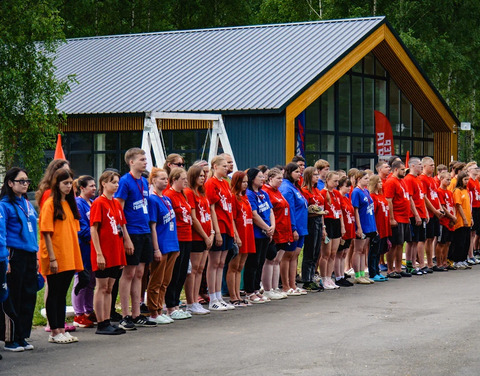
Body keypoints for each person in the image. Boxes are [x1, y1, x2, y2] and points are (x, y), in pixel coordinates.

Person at [39, 169, 83, 344]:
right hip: (56, 255)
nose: (68, 186)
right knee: (54, 293)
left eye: (70, 183)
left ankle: (61, 329)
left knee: (61, 294)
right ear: (56, 184)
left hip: (69, 255)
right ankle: (54, 331)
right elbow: (46, 233)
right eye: (65, 183)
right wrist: (52, 258)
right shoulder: (50, 204)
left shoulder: (70, 204)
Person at [115, 148, 156, 329]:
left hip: (144, 229)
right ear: (131, 162)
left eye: (145, 159)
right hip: (132, 232)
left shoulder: (144, 182)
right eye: (141, 159)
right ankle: (125, 315)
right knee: (129, 273)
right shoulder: (125, 181)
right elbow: (119, 210)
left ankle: (136, 313)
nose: (145, 162)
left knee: (140, 273)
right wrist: (125, 237)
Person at [0, 168, 38, 351]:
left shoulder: (27, 204)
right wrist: (4, 259)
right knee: (13, 296)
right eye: (21, 180)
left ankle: (22, 335)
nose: (25, 184)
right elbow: (2, 233)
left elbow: (34, 230)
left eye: (27, 181)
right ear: (10, 183)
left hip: (30, 254)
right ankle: (10, 338)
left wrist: (36, 254)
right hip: (14, 254)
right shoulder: (4, 205)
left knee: (28, 295)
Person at [90, 171, 128, 335]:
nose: (116, 185)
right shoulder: (99, 203)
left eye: (118, 182)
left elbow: (121, 226)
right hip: (104, 251)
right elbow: (94, 228)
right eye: (113, 182)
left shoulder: (116, 204)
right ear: (104, 183)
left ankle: (107, 319)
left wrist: (126, 243)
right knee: (101, 286)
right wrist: (99, 253)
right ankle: (101, 322)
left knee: (110, 287)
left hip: (115, 250)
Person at [146, 168, 178, 324]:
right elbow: (153, 225)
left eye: (167, 179)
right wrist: (156, 248)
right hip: (161, 244)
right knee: (156, 280)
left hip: (172, 243)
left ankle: (160, 307)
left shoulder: (166, 199)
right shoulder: (152, 200)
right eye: (162, 179)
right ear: (153, 181)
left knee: (166, 280)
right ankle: (153, 311)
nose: (165, 181)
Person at [204, 156, 235, 311]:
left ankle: (219, 296)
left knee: (222, 263)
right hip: (219, 226)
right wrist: (216, 231)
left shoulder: (225, 183)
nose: (226, 168)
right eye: (223, 166)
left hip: (228, 224)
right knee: (214, 262)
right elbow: (212, 208)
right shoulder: (211, 183)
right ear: (215, 166)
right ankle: (213, 297)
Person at [164, 168, 194, 318]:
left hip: (187, 236)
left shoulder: (183, 194)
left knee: (182, 272)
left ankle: (175, 303)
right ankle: (170, 305)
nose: (186, 181)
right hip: (177, 237)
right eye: (183, 179)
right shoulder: (169, 195)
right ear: (174, 179)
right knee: (174, 272)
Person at [184, 165, 213, 315]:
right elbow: (194, 218)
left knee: (200, 269)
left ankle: (196, 301)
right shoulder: (189, 192)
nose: (203, 178)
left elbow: (208, 213)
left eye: (204, 175)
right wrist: (205, 236)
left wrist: (212, 233)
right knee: (193, 270)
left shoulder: (202, 193)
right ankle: (192, 301)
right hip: (197, 236)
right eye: (200, 175)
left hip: (207, 235)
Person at [245, 168, 275, 302]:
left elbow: (270, 211)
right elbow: (254, 214)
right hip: (256, 233)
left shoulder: (263, 193)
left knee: (261, 262)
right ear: (252, 178)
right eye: (260, 177)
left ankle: (257, 289)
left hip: (265, 233)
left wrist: (272, 226)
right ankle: (249, 291)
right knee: (253, 262)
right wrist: (267, 227)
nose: (263, 179)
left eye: (263, 177)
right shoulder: (249, 194)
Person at [263, 168, 292, 299]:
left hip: (283, 230)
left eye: (282, 178)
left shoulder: (278, 192)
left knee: (277, 260)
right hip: (275, 230)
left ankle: (275, 287)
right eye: (278, 178)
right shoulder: (266, 192)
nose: (281, 181)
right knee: (271, 260)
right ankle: (267, 288)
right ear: (270, 179)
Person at [279, 163, 308, 295]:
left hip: (302, 226)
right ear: (289, 172)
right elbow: (289, 209)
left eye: (299, 171)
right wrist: (293, 228)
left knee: (295, 256)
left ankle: (293, 284)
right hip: (294, 227)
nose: (299, 174)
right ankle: (286, 285)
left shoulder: (295, 187)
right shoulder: (286, 187)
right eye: (296, 171)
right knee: (288, 256)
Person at [72, 176, 96, 329]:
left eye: (95, 186)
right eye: (91, 186)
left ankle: (88, 310)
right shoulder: (78, 203)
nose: (94, 188)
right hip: (84, 247)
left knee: (91, 281)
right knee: (82, 279)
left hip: (94, 247)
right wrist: (93, 237)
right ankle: (78, 313)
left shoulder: (93, 203)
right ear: (82, 188)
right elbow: (81, 227)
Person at [227, 171, 255, 306]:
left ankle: (238, 294)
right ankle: (233, 296)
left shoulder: (245, 197)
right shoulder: (233, 197)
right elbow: (232, 218)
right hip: (239, 232)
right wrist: (236, 236)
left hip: (247, 232)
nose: (245, 184)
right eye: (243, 182)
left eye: (246, 182)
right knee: (234, 266)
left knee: (240, 267)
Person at [383, 161, 411, 278]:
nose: (404, 172)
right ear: (395, 170)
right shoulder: (391, 182)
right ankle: (390, 269)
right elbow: (389, 200)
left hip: (404, 217)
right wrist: (391, 218)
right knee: (394, 244)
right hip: (397, 217)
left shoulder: (402, 181)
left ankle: (398, 268)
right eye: (402, 170)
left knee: (400, 244)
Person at [351, 170, 378, 284]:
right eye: (365, 179)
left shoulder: (366, 191)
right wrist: (359, 227)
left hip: (369, 223)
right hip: (362, 224)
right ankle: (357, 275)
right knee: (358, 250)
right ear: (359, 179)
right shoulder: (356, 192)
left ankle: (363, 273)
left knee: (363, 250)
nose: (368, 181)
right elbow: (355, 210)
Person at [301, 167, 325, 292]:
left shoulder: (316, 190)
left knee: (316, 251)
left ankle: (312, 276)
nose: (317, 176)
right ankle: (306, 279)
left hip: (319, 220)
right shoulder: (305, 191)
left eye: (317, 174)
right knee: (310, 251)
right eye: (314, 175)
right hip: (310, 221)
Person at [319, 171, 344, 290]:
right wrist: (323, 228)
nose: (336, 183)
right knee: (326, 254)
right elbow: (321, 213)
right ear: (327, 180)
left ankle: (329, 277)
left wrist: (342, 226)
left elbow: (340, 211)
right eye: (334, 181)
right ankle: (323, 277)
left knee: (333, 253)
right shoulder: (323, 193)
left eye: (338, 181)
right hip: (328, 222)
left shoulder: (337, 194)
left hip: (336, 222)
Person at [403, 158, 428, 275]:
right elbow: (410, 198)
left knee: (416, 240)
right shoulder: (408, 179)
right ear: (412, 166)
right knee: (411, 241)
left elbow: (422, 197)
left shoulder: (418, 179)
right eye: (419, 165)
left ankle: (414, 263)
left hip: (421, 212)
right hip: (414, 214)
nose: (421, 167)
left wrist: (425, 212)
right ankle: (410, 264)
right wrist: (416, 214)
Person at [419, 157, 444, 272]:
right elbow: (424, 197)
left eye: (434, 165)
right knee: (427, 239)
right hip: (429, 213)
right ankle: (427, 262)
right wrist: (434, 210)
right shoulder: (422, 179)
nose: (433, 167)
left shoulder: (432, 180)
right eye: (431, 165)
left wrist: (439, 208)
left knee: (433, 237)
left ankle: (430, 261)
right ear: (424, 166)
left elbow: (436, 195)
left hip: (435, 213)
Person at [369, 175, 391, 280]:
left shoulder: (381, 196)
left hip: (384, 227)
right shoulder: (372, 196)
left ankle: (377, 271)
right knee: (374, 252)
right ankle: (373, 272)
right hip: (378, 227)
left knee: (379, 251)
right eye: (378, 182)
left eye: (381, 182)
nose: (381, 184)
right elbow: (373, 213)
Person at [335, 177, 355, 287]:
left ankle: (342, 274)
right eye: (346, 186)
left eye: (349, 186)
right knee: (339, 253)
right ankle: (338, 276)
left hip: (349, 227)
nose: (349, 188)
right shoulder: (339, 198)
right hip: (343, 229)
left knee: (343, 253)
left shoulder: (346, 198)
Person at [436, 172, 456, 271]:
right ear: (441, 178)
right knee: (441, 243)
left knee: (448, 242)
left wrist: (454, 217)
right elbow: (443, 206)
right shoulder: (439, 191)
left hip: (450, 221)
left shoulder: (449, 192)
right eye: (447, 179)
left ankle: (445, 261)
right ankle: (439, 262)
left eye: (449, 180)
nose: (448, 182)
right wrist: (451, 216)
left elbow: (452, 205)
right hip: (443, 221)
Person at [451, 171, 472, 269]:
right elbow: (458, 206)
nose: (467, 181)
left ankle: (463, 259)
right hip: (461, 220)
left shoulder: (465, 191)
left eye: (468, 179)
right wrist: (464, 218)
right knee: (460, 241)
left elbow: (468, 206)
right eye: (465, 179)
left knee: (466, 241)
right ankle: (457, 260)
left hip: (468, 219)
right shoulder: (457, 191)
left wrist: (470, 218)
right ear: (460, 180)